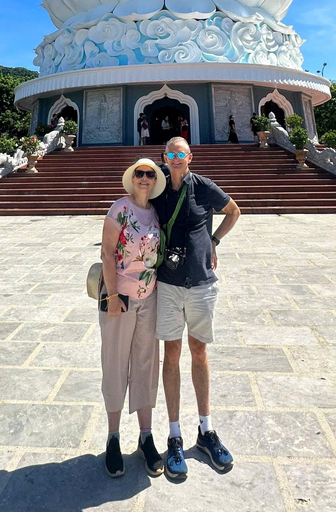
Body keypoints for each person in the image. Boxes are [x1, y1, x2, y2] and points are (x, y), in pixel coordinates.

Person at [151, 137, 241, 479]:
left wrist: (214, 241)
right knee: (171, 353)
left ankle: (206, 430)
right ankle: (174, 434)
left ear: (190, 157)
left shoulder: (203, 187)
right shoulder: (156, 184)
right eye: (170, 153)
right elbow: (134, 191)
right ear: (164, 157)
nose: (175, 158)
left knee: (198, 352)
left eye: (181, 154)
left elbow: (234, 210)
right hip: (168, 284)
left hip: (201, 283)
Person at [99, 158, 167, 478]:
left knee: (146, 364)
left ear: (154, 181)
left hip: (149, 299)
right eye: (139, 173)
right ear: (132, 179)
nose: (143, 178)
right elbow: (106, 253)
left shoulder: (155, 212)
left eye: (149, 174)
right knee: (115, 362)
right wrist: (112, 296)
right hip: (121, 300)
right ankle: (113, 438)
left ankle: (146, 435)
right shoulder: (120, 208)